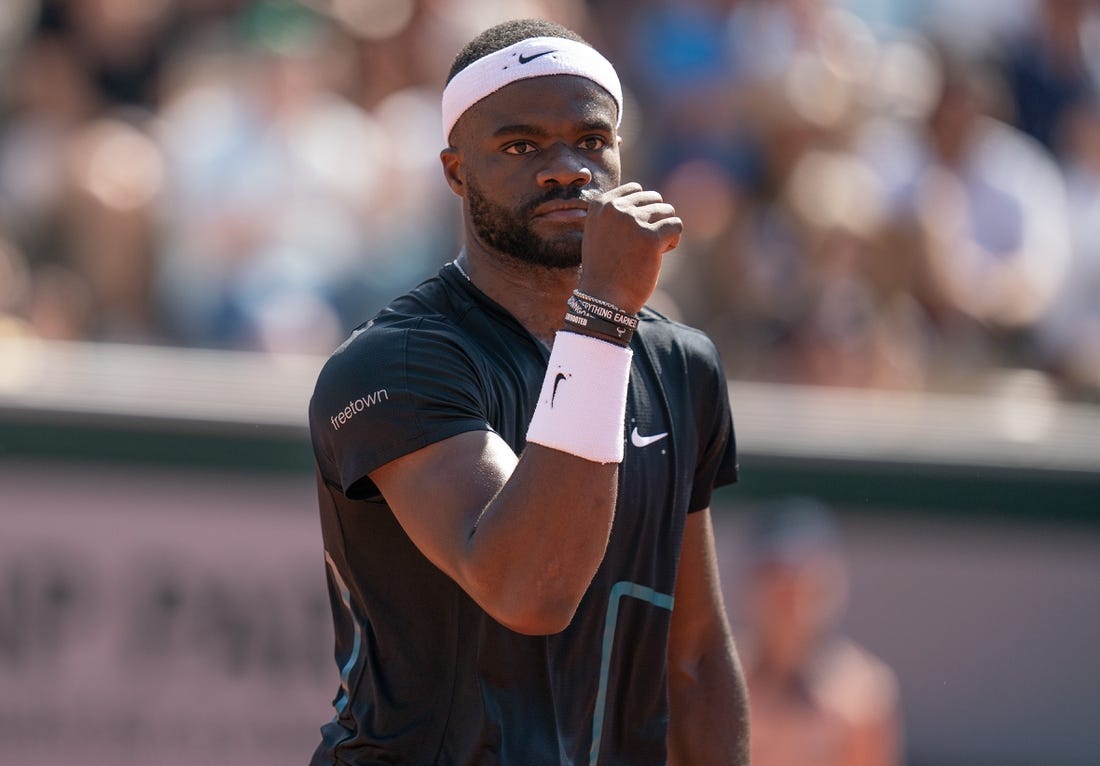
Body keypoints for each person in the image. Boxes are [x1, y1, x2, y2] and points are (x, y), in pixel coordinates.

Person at [307, 17, 749, 766]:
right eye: (521, 146)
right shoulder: (392, 364)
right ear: (456, 172)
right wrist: (603, 311)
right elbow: (528, 590)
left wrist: (603, 318)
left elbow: (696, 655)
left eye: (590, 140)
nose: (566, 168)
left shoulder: (682, 365)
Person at [738, 497, 903, 766]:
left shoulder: (863, 695)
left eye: (806, 587)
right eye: (779, 585)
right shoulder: (720, 680)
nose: (792, 604)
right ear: (751, 585)